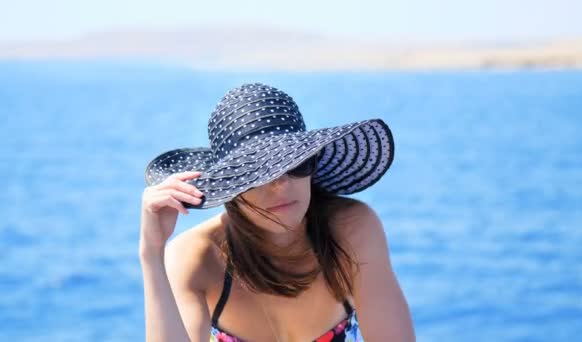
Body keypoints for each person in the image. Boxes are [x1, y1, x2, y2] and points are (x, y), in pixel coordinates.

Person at [139, 83, 415, 342]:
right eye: (260, 172)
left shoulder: (351, 230)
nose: (281, 183)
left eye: (295, 163)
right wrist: (151, 254)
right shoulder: (195, 258)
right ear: (231, 185)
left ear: (313, 163)